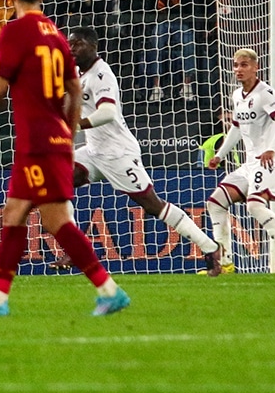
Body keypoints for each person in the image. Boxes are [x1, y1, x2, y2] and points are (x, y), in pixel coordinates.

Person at [0, 0, 129, 317]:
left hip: (37, 142)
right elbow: (74, 90)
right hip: (54, 139)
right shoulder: (58, 36)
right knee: (14, 213)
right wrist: (66, 127)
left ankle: (109, 289)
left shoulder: (15, 31)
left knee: (57, 222)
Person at [65, 26, 224, 277]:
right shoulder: (75, 73)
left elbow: (107, 113)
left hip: (118, 153)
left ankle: (211, 247)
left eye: (78, 44)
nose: (71, 48)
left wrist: (77, 124)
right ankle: (74, 248)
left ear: (93, 46)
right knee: (54, 180)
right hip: (93, 152)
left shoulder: (101, 75)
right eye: (69, 43)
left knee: (153, 206)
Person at [204, 49, 275, 274]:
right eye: (236, 65)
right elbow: (237, 128)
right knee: (215, 202)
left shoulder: (265, 93)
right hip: (251, 163)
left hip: (270, 161)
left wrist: (271, 148)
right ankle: (225, 263)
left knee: (254, 205)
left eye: (244, 65)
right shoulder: (236, 96)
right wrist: (220, 154)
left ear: (255, 67)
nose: (238, 70)